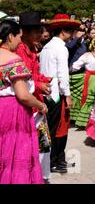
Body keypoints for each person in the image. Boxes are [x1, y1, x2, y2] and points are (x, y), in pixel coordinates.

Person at [0, 20, 48, 184]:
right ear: (10, 36)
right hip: (13, 112)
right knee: (15, 153)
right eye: (19, 36)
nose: (20, 40)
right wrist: (40, 105)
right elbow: (23, 95)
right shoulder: (13, 60)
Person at [40, 14, 80, 174]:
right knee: (58, 128)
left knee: (49, 127)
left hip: (46, 91)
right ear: (63, 31)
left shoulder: (46, 47)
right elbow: (63, 74)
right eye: (70, 31)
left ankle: (52, 160)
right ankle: (54, 161)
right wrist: (68, 95)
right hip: (57, 93)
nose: (72, 35)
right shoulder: (61, 48)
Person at [16, 12, 52, 182]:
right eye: (37, 31)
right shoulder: (20, 52)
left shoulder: (32, 49)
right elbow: (23, 81)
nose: (41, 35)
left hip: (37, 103)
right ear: (26, 32)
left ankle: (39, 176)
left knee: (42, 145)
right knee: (32, 146)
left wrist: (44, 81)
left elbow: (34, 75)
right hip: (28, 106)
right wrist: (39, 85)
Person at [69, 38, 95, 128]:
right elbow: (76, 65)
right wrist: (69, 71)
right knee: (90, 99)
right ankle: (84, 122)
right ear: (93, 45)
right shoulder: (87, 55)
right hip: (90, 79)